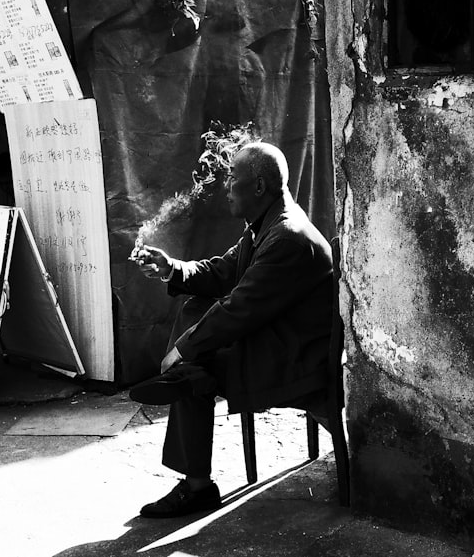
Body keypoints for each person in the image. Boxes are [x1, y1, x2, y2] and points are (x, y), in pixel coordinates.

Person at [130, 141, 333, 518]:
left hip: (297, 359)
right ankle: (194, 465)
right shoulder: (266, 225)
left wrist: (183, 348)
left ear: (258, 187)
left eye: (232, 178)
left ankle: (197, 485)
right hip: (277, 340)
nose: (226, 186)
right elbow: (223, 273)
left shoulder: (286, 236)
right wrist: (171, 268)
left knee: (194, 367)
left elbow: (239, 309)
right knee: (195, 316)